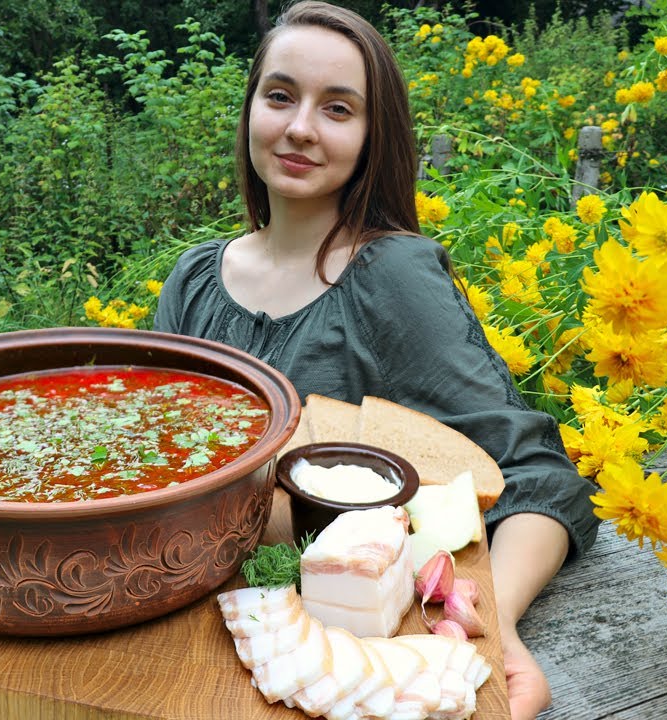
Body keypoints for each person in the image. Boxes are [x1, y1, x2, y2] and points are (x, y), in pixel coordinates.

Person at [152, 2, 599, 717]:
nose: (300, 127)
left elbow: (537, 477)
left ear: (371, 135)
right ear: (249, 113)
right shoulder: (193, 281)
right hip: (191, 648)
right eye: (280, 96)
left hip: (353, 657)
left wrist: (498, 630)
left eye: (338, 108)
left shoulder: (392, 278)